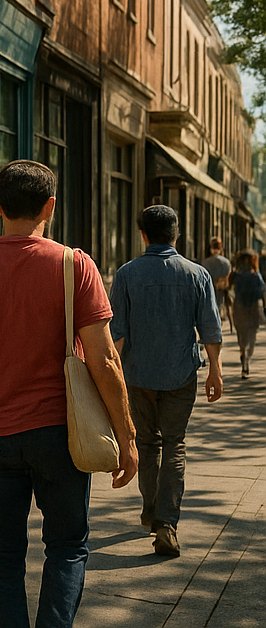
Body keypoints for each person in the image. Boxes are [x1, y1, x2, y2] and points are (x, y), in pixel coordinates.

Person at [0, 160, 137, 628]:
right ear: (50, 205)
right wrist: (128, 437)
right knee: (67, 547)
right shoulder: (74, 266)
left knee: (2, 560)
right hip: (59, 436)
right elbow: (104, 360)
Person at [109, 205, 224, 558]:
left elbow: (116, 335)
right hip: (180, 375)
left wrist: (109, 380)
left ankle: (150, 509)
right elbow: (209, 328)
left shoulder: (127, 274)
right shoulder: (197, 274)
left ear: (143, 234)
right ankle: (167, 523)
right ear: (176, 235)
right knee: (175, 444)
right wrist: (216, 369)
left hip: (138, 375)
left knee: (146, 444)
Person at [230, 250, 264, 378]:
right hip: (253, 308)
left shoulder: (237, 275)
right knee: (252, 334)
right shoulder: (256, 276)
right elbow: (261, 291)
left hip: (239, 306)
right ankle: (247, 359)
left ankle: (243, 351)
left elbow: (231, 288)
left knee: (242, 334)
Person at [200, 237, 233, 331]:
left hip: (209, 288)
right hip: (221, 288)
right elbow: (228, 276)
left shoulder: (205, 262)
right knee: (220, 305)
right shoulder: (226, 262)